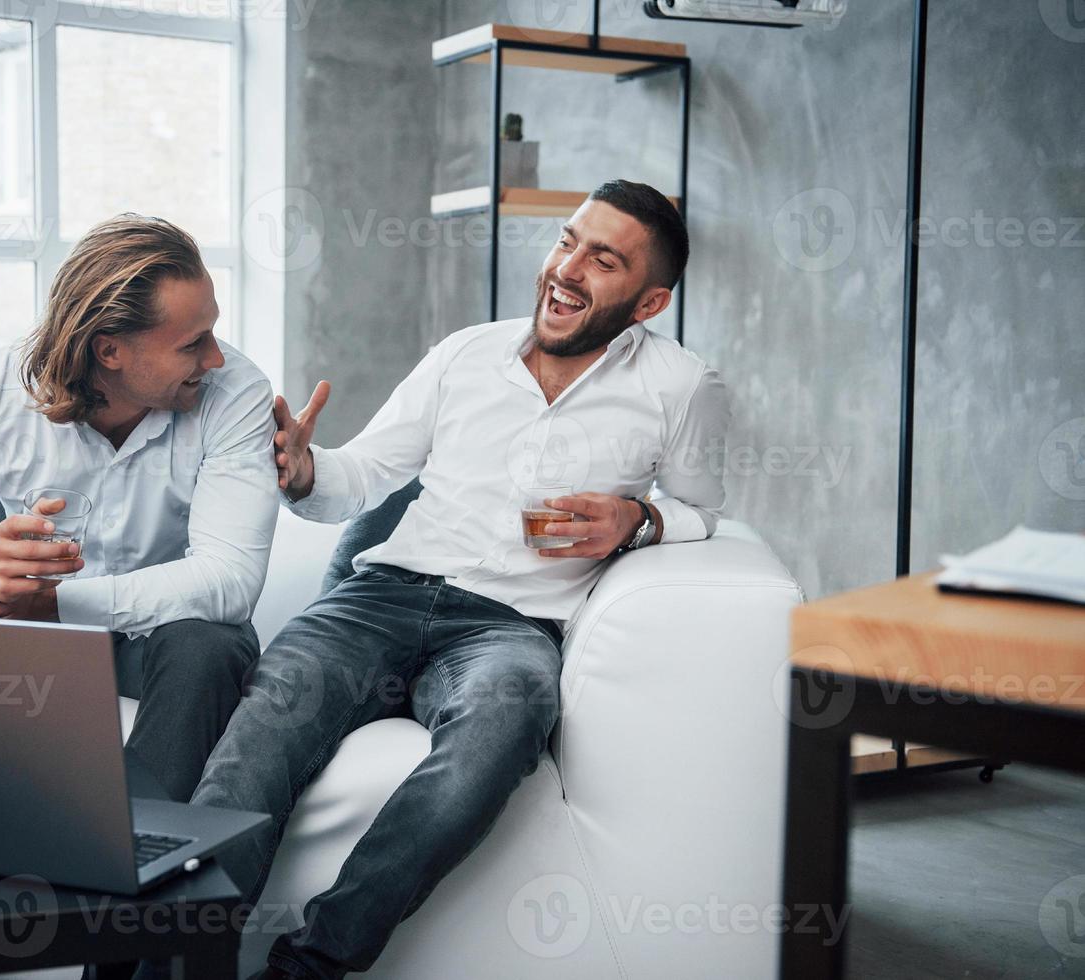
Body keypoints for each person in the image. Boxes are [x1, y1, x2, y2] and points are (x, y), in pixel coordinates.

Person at [192, 180, 731, 979]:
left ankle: (311, 966)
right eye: (567, 241)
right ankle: (178, 962)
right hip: (379, 601)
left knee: (504, 722)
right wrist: (307, 472)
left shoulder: (682, 387)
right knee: (258, 742)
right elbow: (366, 473)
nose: (567, 268)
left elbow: (702, 510)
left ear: (650, 303)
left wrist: (637, 519)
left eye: (603, 259)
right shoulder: (466, 352)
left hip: (510, 628)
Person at [0, 213, 278, 804]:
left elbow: (230, 580)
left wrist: (54, 603)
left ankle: (136, 860)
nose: (214, 358)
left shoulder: (235, 393)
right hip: (25, 639)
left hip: (153, 634)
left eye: (211, 332)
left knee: (210, 643)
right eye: (192, 343)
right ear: (109, 350)